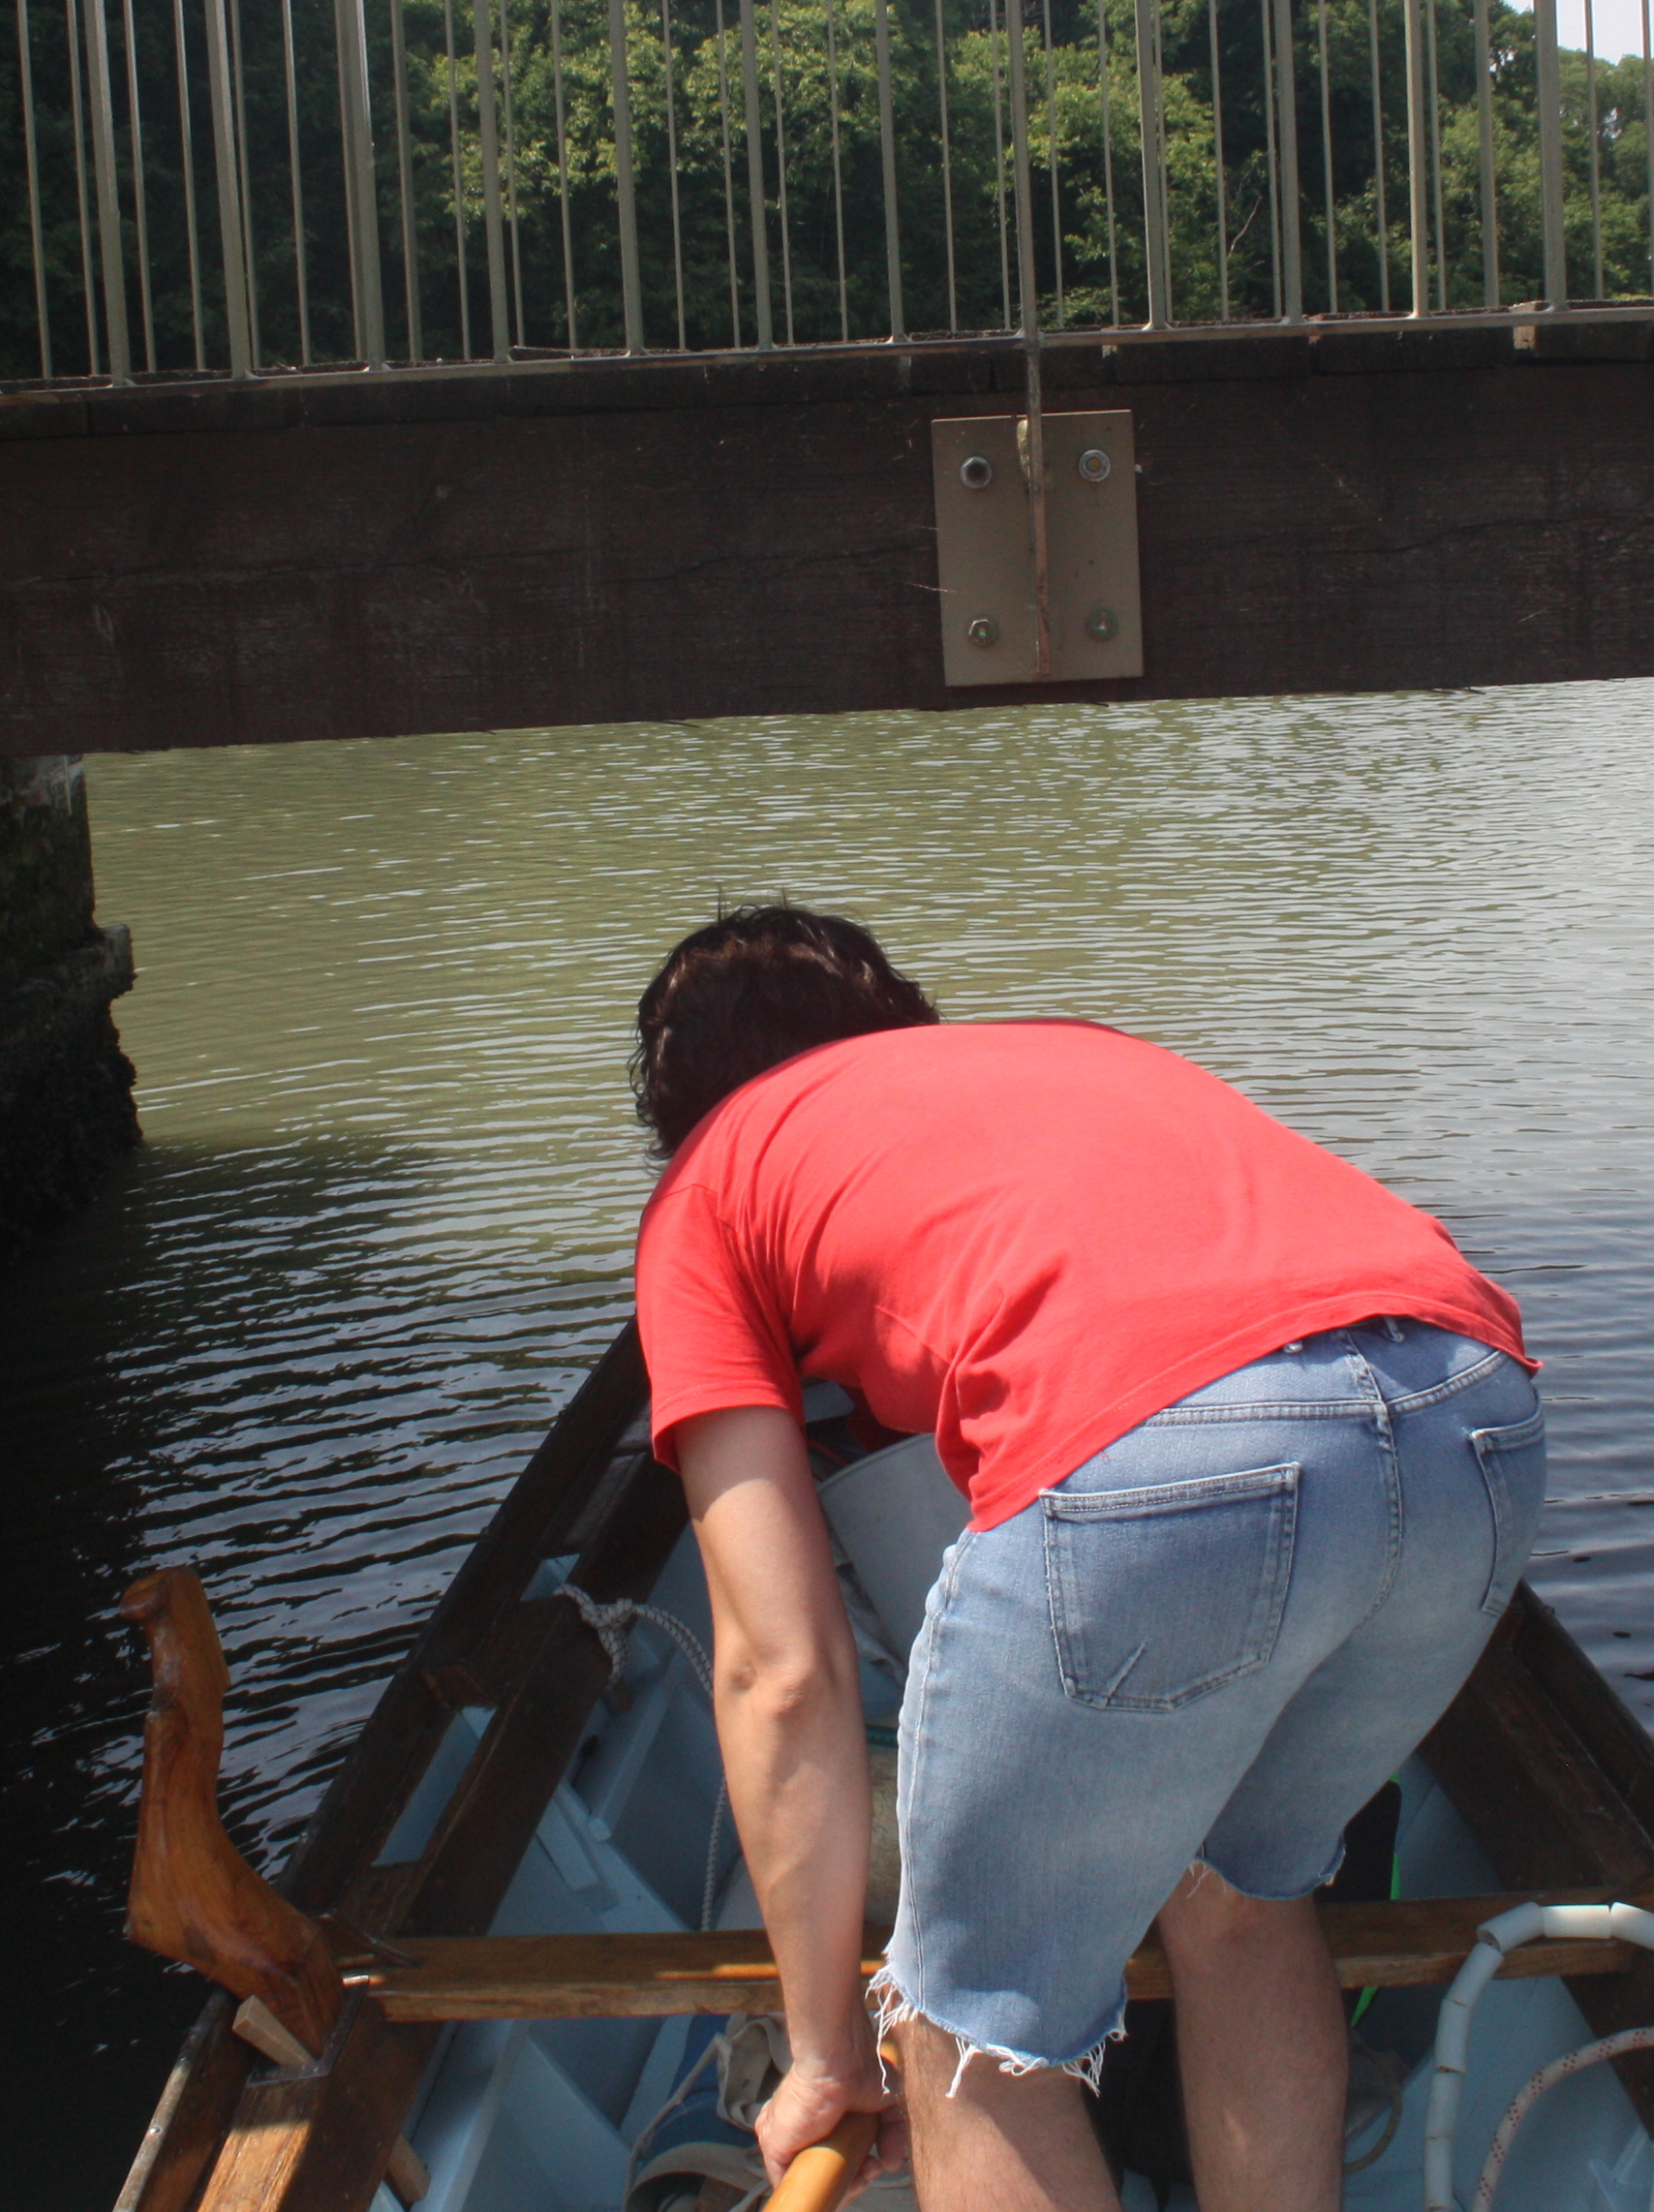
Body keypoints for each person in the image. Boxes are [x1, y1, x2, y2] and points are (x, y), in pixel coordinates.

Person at [628, 906, 1547, 2212]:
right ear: (905, 1028)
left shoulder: (708, 1189)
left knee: (970, 2038)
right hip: (1478, 1419)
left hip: (1167, 1463)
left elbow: (783, 1670)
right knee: (1239, 1900)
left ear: (680, 1112)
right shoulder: (1062, 1051)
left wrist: (830, 2050)